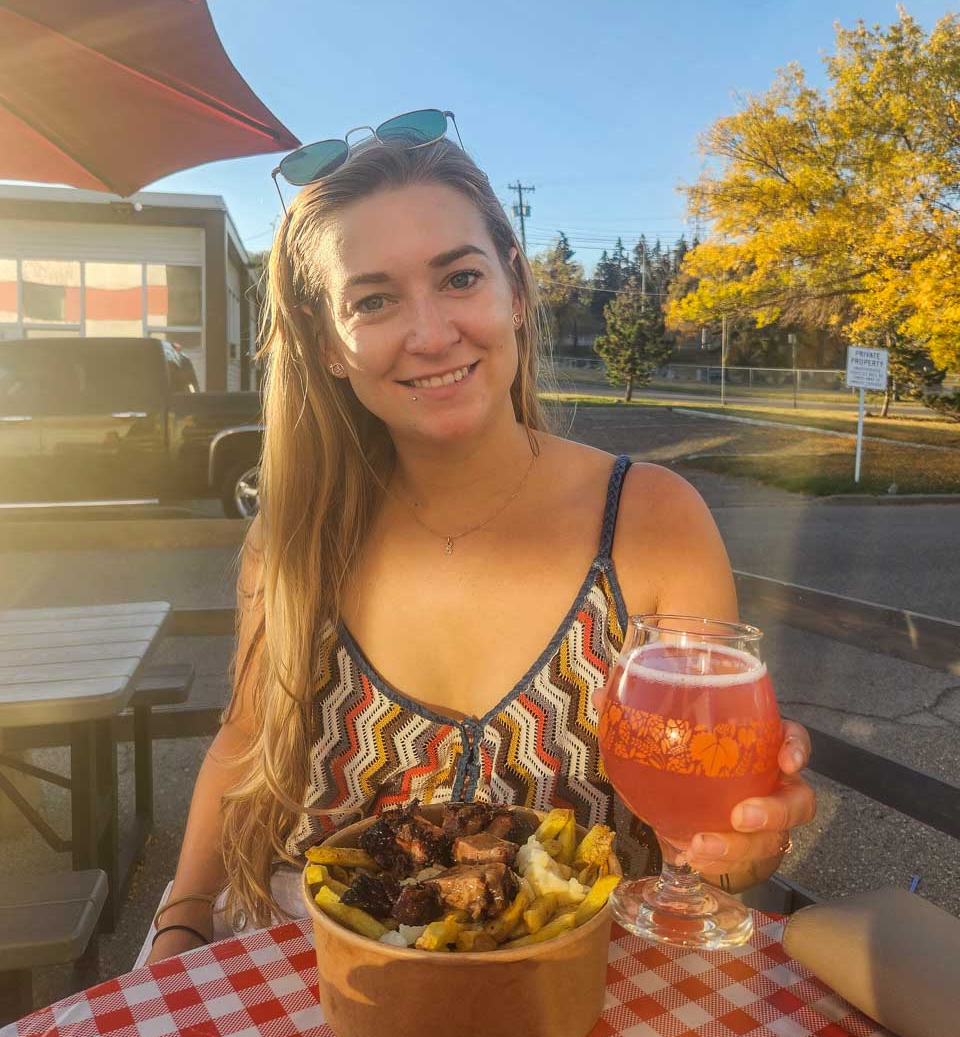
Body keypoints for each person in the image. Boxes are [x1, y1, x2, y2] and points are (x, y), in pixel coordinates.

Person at [146, 127, 816, 964]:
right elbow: (243, 740)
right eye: (374, 300)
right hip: (312, 977)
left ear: (516, 293)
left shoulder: (650, 519)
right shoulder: (294, 538)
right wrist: (182, 916)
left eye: (460, 278)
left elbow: (710, 850)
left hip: (581, 994)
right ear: (329, 345)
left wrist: (741, 847)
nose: (430, 334)